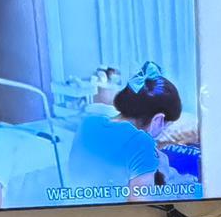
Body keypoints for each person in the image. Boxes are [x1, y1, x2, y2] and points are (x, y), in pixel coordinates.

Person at [66, 61, 181, 201]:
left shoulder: (88, 122)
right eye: (166, 126)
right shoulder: (142, 144)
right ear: (158, 120)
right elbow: (141, 207)